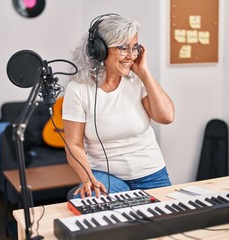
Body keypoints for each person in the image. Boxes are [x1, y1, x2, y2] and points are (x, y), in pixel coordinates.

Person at [62, 14, 175, 199]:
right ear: (99, 50)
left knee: (166, 224)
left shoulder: (137, 80)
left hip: (151, 173)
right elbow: (73, 144)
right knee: (96, 216)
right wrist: (88, 178)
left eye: (135, 48)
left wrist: (144, 73)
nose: (131, 56)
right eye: (123, 48)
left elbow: (167, 117)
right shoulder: (78, 90)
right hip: (106, 177)